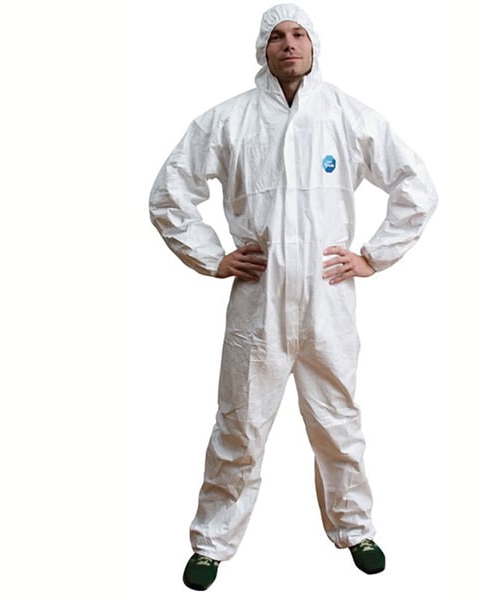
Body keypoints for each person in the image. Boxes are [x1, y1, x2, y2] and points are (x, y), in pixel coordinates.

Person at [149, 3, 437, 591]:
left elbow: (415, 186)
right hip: (259, 301)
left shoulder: (347, 115)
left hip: (328, 297)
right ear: (263, 48)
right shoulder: (227, 121)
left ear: (313, 45)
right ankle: (212, 543)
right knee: (240, 424)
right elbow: (169, 194)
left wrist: (373, 256)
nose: (289, 43)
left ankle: (355, 528)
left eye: (299, 34)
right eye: (278, 35)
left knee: (338, 421)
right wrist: (213, 256)